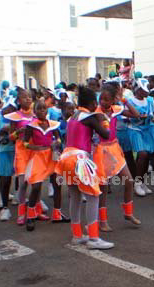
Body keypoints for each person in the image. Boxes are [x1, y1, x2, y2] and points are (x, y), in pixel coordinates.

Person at [55, 85, 114, 250]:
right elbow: (106, 135)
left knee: (75, 197)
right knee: (93, 196)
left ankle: (77, 235)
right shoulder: (89, 117)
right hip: (80, 159)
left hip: (66, 157)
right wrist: (105, 120)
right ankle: (94, 238)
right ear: (92, 102)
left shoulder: (73, 115)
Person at [93, 83, 142, 232]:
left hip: (114, 149)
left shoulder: (116, 110)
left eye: (107, 99)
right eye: (101, 99)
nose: (103, 102)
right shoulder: (95, 113)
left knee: (129, 181)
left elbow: (136, 115)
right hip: (100, 150)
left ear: (113, 100)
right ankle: (102, 220)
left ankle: (128, 213)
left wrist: (124, 101)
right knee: (103, 186)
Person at [22, 100, 69, 231]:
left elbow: (59, 139)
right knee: (36, 186)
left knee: (57, 184)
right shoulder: (31, 126)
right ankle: (30, 215)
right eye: (39, 109)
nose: (42, 110)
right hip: (38, 157)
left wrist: (56, 143)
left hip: (51, 156)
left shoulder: (52, 125)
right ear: (35, 111)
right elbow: (24, 143)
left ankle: (57, 214)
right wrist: (34, 147)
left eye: (44, 108)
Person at [5, 89, 39, 225]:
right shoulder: (15, 116)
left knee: (36, 182)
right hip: (21, 152)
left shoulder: (36, 115)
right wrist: (19, 131)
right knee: (23, 182)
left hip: (35, 151)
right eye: (25, 98)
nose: (28, 100)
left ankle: (35, 210)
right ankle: (21, 212)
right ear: (19, 101)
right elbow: (10, 137)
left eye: (30, 97)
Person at [127, 78, 154, 197]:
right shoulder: (130, 101)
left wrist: (153, 118)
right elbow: (125, 116)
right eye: (144, 89)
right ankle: (137, 182)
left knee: (148, 155)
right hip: (135, 129)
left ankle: (143, 181)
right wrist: (136, 116)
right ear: (138, 90)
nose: (147, 92)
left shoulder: (150, 100)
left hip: (148, 129)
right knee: (142, 154)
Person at [0, 99, 18, 221]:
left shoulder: (19, 122)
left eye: (11, 108)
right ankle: (5, 208)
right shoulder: (0, 122)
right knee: (5, 180)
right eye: (6, 108)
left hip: (18, 152)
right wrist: (2, 131)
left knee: (21, 178)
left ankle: (19, 198)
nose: (7, 110)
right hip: (4, 153)